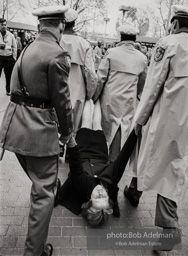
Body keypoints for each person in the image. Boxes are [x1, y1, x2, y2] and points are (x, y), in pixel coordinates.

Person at [0, 5, 73, 256]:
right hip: (38, 132)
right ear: (61, 25)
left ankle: (38, 246)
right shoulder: (58, 54)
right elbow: (63, 103)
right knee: (44, 195)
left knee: (40, 185)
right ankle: (34, 253)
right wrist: (67, 135)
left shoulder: (29, 46)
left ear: (41, 25)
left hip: (14, 128)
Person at [124, 4, 188, 251]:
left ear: (175, 23)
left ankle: (170, 228)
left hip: (166, 117)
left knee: (162, 163)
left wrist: (139, 119)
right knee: (173, 165)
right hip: (183, 121)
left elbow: (152, 86)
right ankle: (134, 190)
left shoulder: (168, 43)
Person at [55, 99, 137, 226]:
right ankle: (98, 97)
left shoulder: (84, 186)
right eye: (103, 197)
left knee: (87, 119)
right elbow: (123, 158)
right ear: (108, 197)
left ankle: (89, 97)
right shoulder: (111, 180)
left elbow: (76, 165)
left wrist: (71, 142)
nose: (100, 194)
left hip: (82, 149)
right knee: (97, 122)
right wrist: (135, 132)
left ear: (89, 200)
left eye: (96, 198)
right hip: (99, 150)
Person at [93, 24, 147, 162]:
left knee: (106, 130)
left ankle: (104, 161)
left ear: (121, 37)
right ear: (134, 39)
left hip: (109, 98)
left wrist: (94, 97)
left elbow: (100, 78)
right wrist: (134, 95)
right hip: (128, 100)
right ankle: (114, 163)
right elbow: (142, 83)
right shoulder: (142, 58)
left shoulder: (112, 53)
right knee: (121, 130)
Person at [60, 8, 97, 136]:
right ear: (74, 24)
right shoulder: (84, 44)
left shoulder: (54, 41)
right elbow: (91, 74)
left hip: (55, 95)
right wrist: (89, 94)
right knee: (73, 133)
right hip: (77, 96)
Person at [0, 18, 17, 96]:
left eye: (5, 25)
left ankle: (8, 90)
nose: (4, 26)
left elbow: (14, 47)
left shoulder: (11, 35)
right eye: (2, 25)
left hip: (9, 58)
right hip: (0, 57)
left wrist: (14, 57)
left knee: (9, 75)